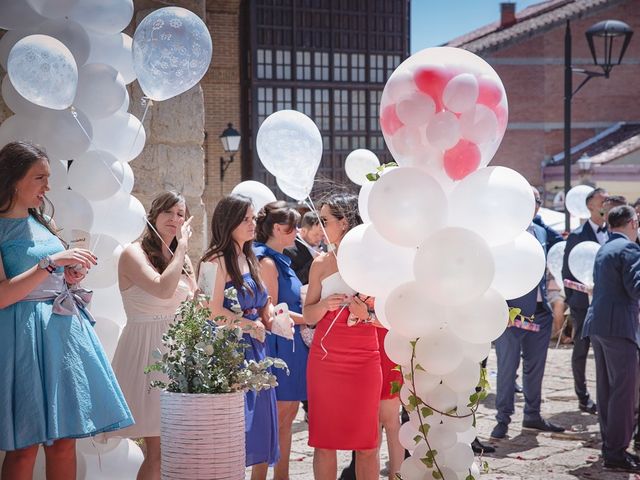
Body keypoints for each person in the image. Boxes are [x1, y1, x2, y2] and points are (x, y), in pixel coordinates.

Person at [0, 141, 133, 479]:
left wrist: (69, 274)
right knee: (23, 446)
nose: (47, 186)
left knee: (63, 442)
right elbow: (2, 296)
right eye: (39, 177)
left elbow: (50, 275)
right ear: (14, 179)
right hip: (23, 340)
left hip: (62, 335)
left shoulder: (43, 221)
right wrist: (51, 263)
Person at [106, 191, 197, 479]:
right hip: (148, 351)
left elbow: (193, 300)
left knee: (178, 446)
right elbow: (161, 289)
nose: (175, 219)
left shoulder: (182, 259)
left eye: (180, 214)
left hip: (178, 350)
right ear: (153, 216)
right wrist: (182, 246)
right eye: (168, 212)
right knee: (158, 450)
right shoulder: (133, 253)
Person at [199, 194, 278, 480]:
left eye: (253, 218)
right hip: (228, 352)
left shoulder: (250, 256)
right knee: (235, 427)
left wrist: (269, 310)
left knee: (261, 425)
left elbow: (260, 299)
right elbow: (208, 310)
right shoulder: (212, 261)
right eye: (246, 219)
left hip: (257, 349)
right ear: (228, 221)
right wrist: (247, 324)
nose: (252, 224)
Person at [304, 193, 382, 480]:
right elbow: (309, 315)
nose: (319, 225)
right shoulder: (320, 263)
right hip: (326, 360)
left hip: (364, 358)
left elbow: (391, 315)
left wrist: (367, 314)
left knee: (368, 445)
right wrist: (324, 305)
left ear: (344, 222)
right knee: (324, 443)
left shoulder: (373, 261)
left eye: (325, 220)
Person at [491, 186, 565, 439]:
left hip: (541, 311)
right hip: (512, 313)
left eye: (538, 201)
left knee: (536, 368)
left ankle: (532, 415)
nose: (535, 204)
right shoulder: (504, 233)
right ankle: (503, 419)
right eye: (532, 200)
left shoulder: (542, 231)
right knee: (506, 368)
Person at [582, 205, 640, 472]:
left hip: (599, 325)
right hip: (619, 328)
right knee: (624, 393)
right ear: (630, 223)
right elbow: (635, 288)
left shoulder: (605, 247)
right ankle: (616, 452)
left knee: (607, 391)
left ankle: (611, 447)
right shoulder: (629, 249)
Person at [254, 201, 306, 480]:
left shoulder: (280, 258)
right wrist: (310, 315)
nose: (298, 231)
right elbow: (270, 312)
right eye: (293, 226)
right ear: (276, 228)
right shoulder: (268, 262)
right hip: (278, 346)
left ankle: (281, 476)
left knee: (286, 418)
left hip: (291, 346)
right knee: (274, 421)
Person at [561, 187, 608, 415]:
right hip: (582, 305)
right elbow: (566, 271)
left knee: (605, 354)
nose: (606, 205)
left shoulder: (613, 233)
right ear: (590, 206)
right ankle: (583, 396)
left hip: (607, 305)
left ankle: (606, 395)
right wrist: (575, 301)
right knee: (581, 352)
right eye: (603, 201)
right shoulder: (578, 236)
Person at [284, 211, 325, 285]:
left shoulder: (324, 243)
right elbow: (295, 280)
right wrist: (314, 261)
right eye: (316, 235)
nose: (319, 239)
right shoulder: (289, 249)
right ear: (303, 231)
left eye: (322, 235)